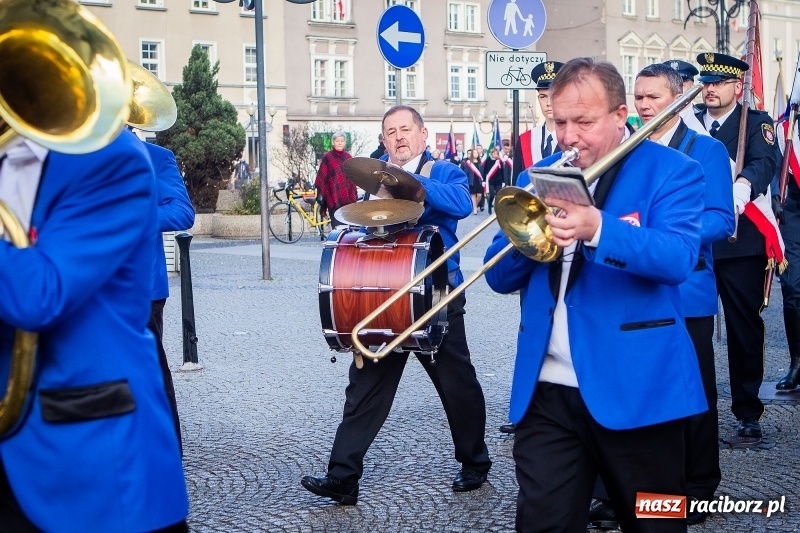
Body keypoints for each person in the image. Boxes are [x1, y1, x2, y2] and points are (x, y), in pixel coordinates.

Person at [484, 57, 707, 532]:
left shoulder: (671, 170)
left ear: (620, 115)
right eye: (560, 121)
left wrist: (598, 230)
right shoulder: (539, 173)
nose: (569, 136)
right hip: (548, 392)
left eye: (583, 122)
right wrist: (530, 237)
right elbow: (499, 278)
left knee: (656, 525)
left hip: (638, 387)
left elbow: (678, 257)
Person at [302, 105, 492, 505]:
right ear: (384, 140)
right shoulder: (373, 178)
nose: (399, 137)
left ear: (423, 135)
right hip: (384, 295)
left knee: (456, 383)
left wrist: (409, 180)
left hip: (435, 294)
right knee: (366, 386)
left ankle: (475, 461)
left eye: (406, 129)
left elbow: (461, 204)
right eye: (391, 132)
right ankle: (343, 476)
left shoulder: (442, 171)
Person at [0, 130, 189, 532]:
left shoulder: (108, 154)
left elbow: (39, 296)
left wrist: (142, 219)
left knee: (162, 367)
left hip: (83, 457)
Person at [587, 63, 735, 528]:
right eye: (640, 97)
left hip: (685, 287)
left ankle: (696, 487)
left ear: (679, 99)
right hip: (628, 286)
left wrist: (670, 231)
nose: (645, 106)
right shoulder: (625, 149)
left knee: (692, 395)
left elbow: (723, 219)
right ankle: (619, 493)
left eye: (654, 97)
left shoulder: (705, 150)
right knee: (629, 392)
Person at [695, 52, 780, 441]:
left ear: (736, 86)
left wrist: (743, 183)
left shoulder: (756, 124)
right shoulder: (689, 123)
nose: (710, 89)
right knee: (691, 323)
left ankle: (747, 408)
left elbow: (765, 162)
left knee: (743, 327)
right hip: (695, 240)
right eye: (706, 82)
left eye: (719, 83)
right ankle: (694, 403)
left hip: (739, 241)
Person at [142, 139, 196, 449]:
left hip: (143, 286)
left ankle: (166, 446)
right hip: (87, 281)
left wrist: (133, 215)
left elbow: (182, 212)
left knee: (152, 369)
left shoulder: (157, 157)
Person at [513, 61, 564, 181]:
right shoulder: (525, 140)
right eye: (543, 97)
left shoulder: (575, 138)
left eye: (554, 96)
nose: (548, 103)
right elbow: (516, 185)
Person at [314, 131, 356, 226]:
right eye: (337, 141)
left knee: (347, 228)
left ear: (345, 143)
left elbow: (352, 177)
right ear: (333, 142)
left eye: (342, 141)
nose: (340, 143)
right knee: (337, 228)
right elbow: (322, 178)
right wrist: (322, 195)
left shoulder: (348, 157)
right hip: (333, 196)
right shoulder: (327, 157)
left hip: (347, 198)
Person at [663, 59, 708, 135]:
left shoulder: (705, 120)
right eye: (670, 86)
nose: (676, 90)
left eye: (681, 85)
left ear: (693, 88)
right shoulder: (652, 118)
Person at [482, 146, 506, 215]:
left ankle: (497, 207)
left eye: (497, 154)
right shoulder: (488, 161)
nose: (496, 155)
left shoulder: (499, 161)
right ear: (492, 154)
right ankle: (489, 205)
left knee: (498, 194)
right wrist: (483, 180)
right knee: (491, 194)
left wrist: (503, 181)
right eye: (494, 154)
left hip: (498, 180)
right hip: (491, 180)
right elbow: (485, 171)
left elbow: (502, 171)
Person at [461, 148, 484, 214]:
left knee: (479, 195)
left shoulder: (480, 163)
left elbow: (483, 172)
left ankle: (475, 206)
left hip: (479, 180)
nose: (475, 154)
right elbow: (466, 173)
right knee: (473, 195)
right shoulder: (468, 163)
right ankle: (475, 209)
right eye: (474, 153)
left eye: (477, 153)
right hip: (472, 180)